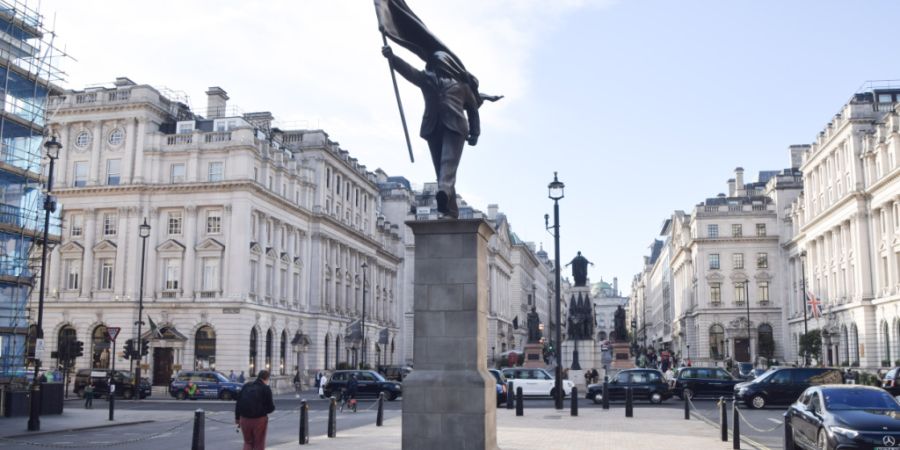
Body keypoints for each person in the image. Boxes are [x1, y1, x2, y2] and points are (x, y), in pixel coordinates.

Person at [382, 45, 494, 219]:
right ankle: (450, 209)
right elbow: (409, 71)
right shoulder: (427, 79)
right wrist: (393, 58)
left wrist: (475, 133)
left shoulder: (462, 86)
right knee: (440, 169)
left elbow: (473, 109)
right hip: (433, 127)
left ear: (447, 65)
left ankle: (442, 191)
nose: (436, 68)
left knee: (447, 165)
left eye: (439, 64)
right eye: (434, 65)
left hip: (455, 127)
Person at [235, 370, 275, 450]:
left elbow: (238, 402)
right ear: (267, 378)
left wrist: (237, 418)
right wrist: (263, 410)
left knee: (247, 442)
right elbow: (271, 408)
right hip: (259, 419)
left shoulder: (246, 386)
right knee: (259, 443)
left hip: (244, 419)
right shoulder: (266, 388)